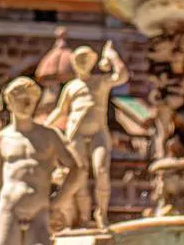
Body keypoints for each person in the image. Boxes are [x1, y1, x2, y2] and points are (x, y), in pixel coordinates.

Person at [0, 77, 84, 245]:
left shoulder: (49, 136)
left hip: (39, 211)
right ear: (10, 101)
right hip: (8, 209)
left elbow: (78, 169)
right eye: (23, 99)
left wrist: (58, 202)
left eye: (32, 100)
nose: (28, 104)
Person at [44, 41, 129, 228]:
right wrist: (43, 127)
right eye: (80, 59)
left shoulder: (100, 81)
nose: (83, 62)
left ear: (92, 62)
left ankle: (102, 213)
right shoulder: (71, 87)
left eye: (87, 59)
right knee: (79, 176)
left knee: (101, 170)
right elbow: (60, 110)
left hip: (98, 131)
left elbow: (122, 76)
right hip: (76, 133)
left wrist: (112, 55)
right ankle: (83, 218)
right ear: (74, 62)